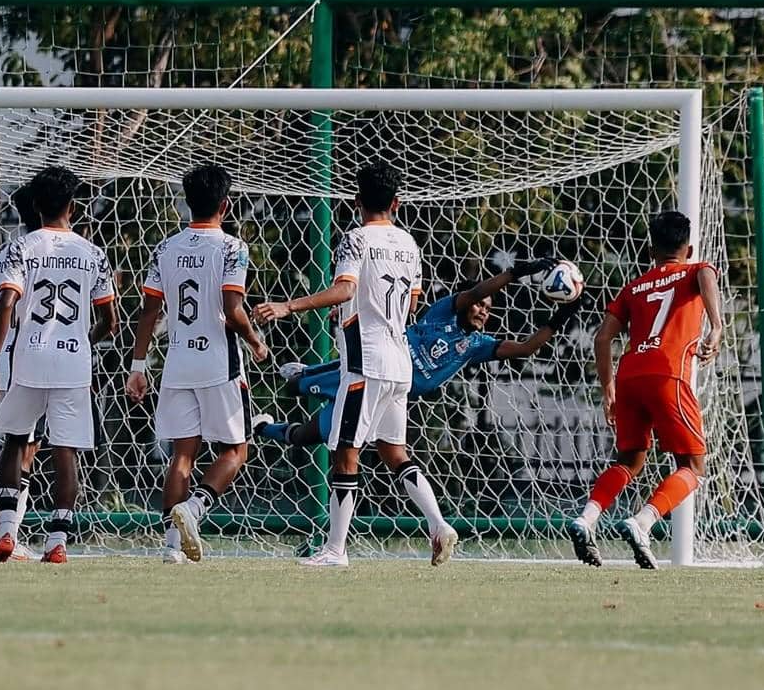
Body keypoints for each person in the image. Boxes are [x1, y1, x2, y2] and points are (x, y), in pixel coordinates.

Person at [254, 159, 453, 568]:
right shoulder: (410, 244)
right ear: (397, 202)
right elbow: (412, 302)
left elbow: (345, 288)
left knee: (347, 452)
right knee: (394, 450)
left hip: (367, 363)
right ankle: (438, 524)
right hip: (400, 364)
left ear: (357, 200)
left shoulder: (356, 239)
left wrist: (288, 306)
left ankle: (335, 550)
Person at [256, 262, 580, 448]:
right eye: (480, 304)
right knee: (293, 387)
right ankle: (301, 373)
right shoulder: (443, 314)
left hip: (392, 393)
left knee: (307, 436)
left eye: (488, 309)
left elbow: (526, 348)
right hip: (370, 369)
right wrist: (515, 273)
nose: (483, 310)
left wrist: (561, 318)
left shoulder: (476, 345)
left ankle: (262, 428)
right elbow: (478, 291)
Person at [126, 163, 268, 564]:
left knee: (182, 455)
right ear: (226, 204)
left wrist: (138, 366)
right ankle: (195, 507)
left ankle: (172, 547)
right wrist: (255, 340)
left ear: (188, 203)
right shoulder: (232, 247)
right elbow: (232, 307)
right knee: (236, 450)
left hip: (177, 362)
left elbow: (149, 310)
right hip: (218, 363)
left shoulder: (165, 248)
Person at [569, 210, 722, 569]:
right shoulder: (695, 269)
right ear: (689, 247)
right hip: (668, 374)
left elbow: (603, 337)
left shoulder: (633, 287)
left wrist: (608, 389)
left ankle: (586, 518)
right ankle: (643, 522)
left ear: (650, 250)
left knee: (630, 459)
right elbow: (705, 273)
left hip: (629, 377)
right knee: (694, 466)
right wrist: (717, 327)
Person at [0, 166, 117, 564]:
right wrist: (83, 341)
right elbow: (111, 320)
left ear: (35, 205)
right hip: (73, 361)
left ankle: (7, 531)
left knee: (15, 438)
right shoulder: (93, 253)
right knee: (66, 450)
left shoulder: (19, 248)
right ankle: (57, 541)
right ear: (72, 207)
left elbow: (5, 302)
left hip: (29, 355)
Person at [0, 184, 43, 561]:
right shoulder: (52, 249)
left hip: (11, 354)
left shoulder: (5, 252)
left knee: (24, 444)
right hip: (31, 355)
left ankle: (2, 517)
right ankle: (7, 529)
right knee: (21, 444)